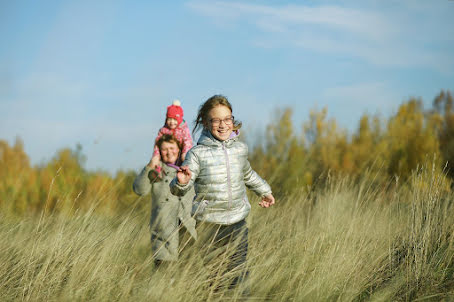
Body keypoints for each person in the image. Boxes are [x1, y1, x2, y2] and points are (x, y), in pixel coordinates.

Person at [169, 95, 275, 290]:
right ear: (206, 123)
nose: (223, 125)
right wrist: (181, 182)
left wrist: (265, 191)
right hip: (210, 225)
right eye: (216, 120)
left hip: (237, 223)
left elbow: (248, 174)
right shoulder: (197, 154)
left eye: (228, 119)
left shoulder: (240, 149)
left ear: (232, 121)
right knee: (216, 279)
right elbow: (180, 186)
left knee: (239, 275)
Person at [133, 134, 197, 266]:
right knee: (164, 279)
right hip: (163, 235)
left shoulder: (190, 169)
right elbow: (139, 190)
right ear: (159, 152)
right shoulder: (156, 171)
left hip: (189, 231)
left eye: (172, 148)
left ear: (179, 149)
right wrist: (151, 165)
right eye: (164, 149)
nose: (169, 152)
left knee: (188, 279)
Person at [149, 100, 193, 171]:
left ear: (179, 120)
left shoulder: (183, 130)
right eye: (169, 119)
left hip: (180, 153)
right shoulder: (164, 130)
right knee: (159, 162)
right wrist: (156, 155)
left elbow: (187, 141)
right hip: (166, 159)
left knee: (183, 161)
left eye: (175, 120)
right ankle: (158, 172)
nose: (172, 122)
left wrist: (185, 153)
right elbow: (157, 143)